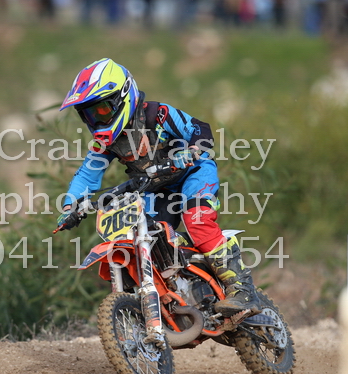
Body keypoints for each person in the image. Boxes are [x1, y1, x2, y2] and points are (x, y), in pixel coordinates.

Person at [56, 58, 260, 317]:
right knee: (145, 235)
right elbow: (87, 174)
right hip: (156, 188)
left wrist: (192, 150)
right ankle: (178, 292)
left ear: (123, 97)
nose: (97, 119)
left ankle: (242, 289)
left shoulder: (157, 114)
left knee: (197, 221)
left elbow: (199, 129)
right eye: (90, 114)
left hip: (193, 173)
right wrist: (71, 206)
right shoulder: (104, 142)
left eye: (103, 111)